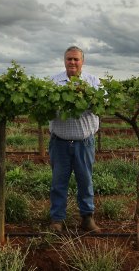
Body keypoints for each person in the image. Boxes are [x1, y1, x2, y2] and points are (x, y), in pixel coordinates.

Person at [48, 45, 101, 233]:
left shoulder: (94, 82)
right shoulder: (53, 82)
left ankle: (87, 218)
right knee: (58, 182)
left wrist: (84, 95)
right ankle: (57, 220)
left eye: (76, 59)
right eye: (69, 59)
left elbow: (104, 105)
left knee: (85, 182)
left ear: (82, 62)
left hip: (84, 143)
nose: (72, 62)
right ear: (64, 61)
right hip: (59, 142)